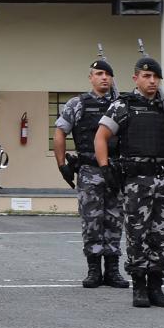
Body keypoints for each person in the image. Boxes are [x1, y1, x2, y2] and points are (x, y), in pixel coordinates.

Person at [95, 55, 164, 308]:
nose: (152, 81)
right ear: (136, 78)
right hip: (136, 182)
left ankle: (156, 286)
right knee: (137, 233)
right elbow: (101, 137)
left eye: (156, 77)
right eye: (146, 76)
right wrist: (105, 168)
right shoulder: (123, 106)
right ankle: (139, 286)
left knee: (162, 235)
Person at [53, 59, 128, 289]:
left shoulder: (122, 104)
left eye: (108, 74)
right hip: (89, 170)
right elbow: (59, 133)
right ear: (91, 77)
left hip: (116, 170)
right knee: (92, 220)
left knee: (115, 219)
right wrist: (62, 165)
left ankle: (113, 269)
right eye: (99, 73)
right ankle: (94, 269)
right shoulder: (77, 104)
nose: (104, 77)